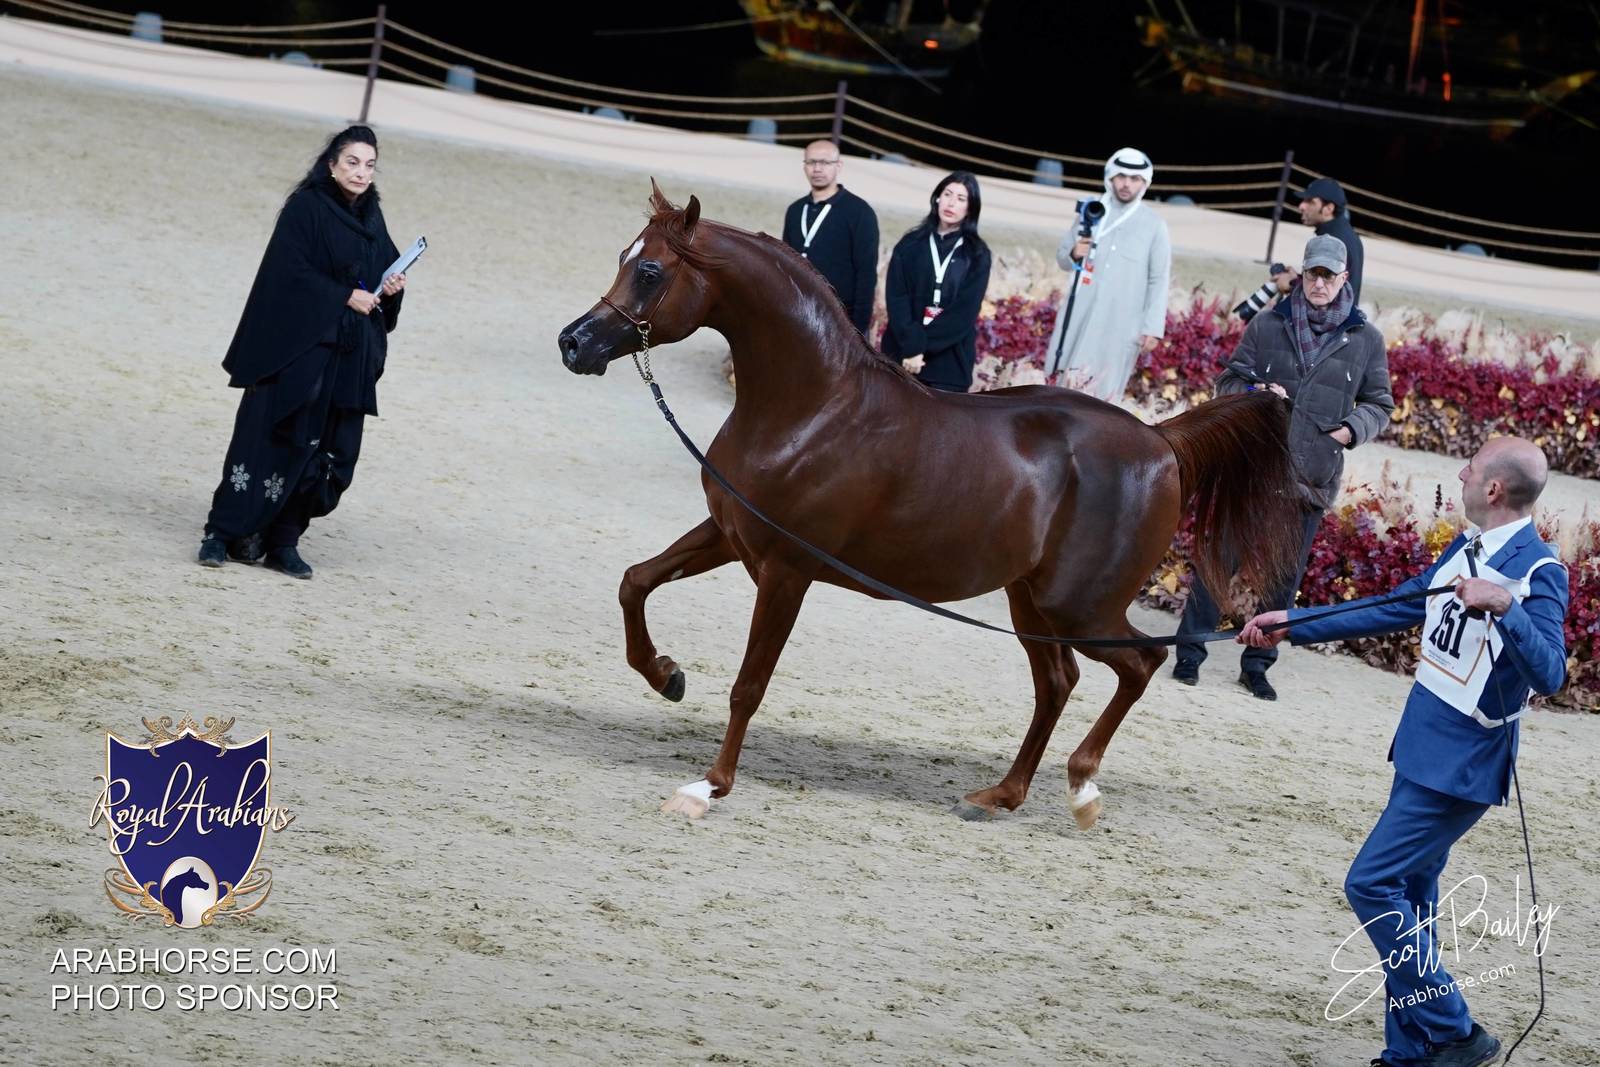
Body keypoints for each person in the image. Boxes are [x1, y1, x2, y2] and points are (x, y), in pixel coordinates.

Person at [1239, 436, 1568, 1067]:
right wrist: (1293, 623)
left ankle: (1454, 1031)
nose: (1463, 474)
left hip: (1462, 769)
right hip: (1421, 751)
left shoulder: (1538, 571)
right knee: (1412, 903)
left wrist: (1504, 606)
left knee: (1369, 884)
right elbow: (1397, 605)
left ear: (1493, 489)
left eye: (1471, 468)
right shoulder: (1469, 547)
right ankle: (1410, 1054)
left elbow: (1550, 671)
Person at [1173, 233, 1394, 699]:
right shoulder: (1267, 324)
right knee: (1217, 564)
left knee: (1282, 582)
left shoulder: (1366, 340)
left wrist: (1349, 431)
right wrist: (1254, 396)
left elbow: (1380, 404)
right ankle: (1188, 654)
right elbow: (1227, 381)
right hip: (1250, 469)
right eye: (1313, 273)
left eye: (1328, 275)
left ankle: (1258, 665)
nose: (1319, 283)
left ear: (1344, 278)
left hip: (1310, 479)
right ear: (1303, 272)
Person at [198, 125, 408, 579]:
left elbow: (376, 282)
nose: (361, 172)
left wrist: (390, 289)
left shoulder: (372, 217)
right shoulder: (306, 209)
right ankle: (222, 533)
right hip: (296, 351)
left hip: (347, 358)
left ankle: (284, 540)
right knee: (267, 440)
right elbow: (285, 275)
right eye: (352, 162)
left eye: (369, 165)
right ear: (331, 164)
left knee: (330, 450)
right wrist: (341, 296)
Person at [1041, 147, 1171, 403]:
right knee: (1061, 381)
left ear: (1144, 183)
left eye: (1135, 179)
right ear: (1110, 177)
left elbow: (1159, 279)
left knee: (1104, 393)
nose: (1126, 184)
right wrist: (1075, 253)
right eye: (1121, 176)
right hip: (1079, 312)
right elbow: (1062, 259)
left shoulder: (1154, 225)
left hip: (1121, 324)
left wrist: (1152, 328)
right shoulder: (1091, 210)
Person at [880, 171, 992, 392]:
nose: (951, 203)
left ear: (970, 208)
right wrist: (911, 347)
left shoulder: (977, 254)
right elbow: (897, 298)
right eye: (947, 194)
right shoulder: (910, 244)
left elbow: (964, 312)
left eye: (961, 199)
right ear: (937, 198)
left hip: (949, 363)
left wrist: (921, 348)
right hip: (901, 355)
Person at [781, 139, 879, 334]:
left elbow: (866, 274)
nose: (817, 168)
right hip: (796, 312)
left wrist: (858, 330)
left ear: (838, 166)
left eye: (825, 162)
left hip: (839, 319)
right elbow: (784, 265)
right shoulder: (795, 210)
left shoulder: (860, 212)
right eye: (811, 162)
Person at [1273, 176, 1365, 305]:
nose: (1301, 206)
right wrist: (1299, 278)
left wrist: (1290, 283)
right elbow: (1329, 282)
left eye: (1310, 201)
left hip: (1328, 323)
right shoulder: (1346, 234)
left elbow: (1325, 293)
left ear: (1328, 209)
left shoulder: (1333, 242)